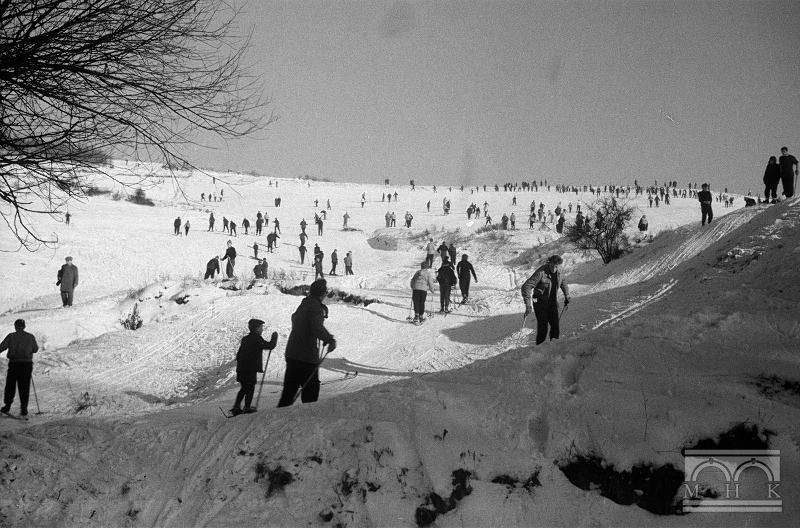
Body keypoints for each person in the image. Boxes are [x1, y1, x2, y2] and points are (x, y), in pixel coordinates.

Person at [277, 280, 336, 407]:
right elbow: (317, 328)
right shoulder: (315, 307)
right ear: (322, 293)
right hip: (306, 356)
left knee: (289, 391)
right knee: (311, 391)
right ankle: (306, 421)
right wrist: (330, 340)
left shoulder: (304, 304)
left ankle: (277, 418)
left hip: (292, 353)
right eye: (325, 292)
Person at [230, 319, 278, 415]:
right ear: (256, 329)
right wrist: (274, 338)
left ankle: (236, 407)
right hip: (249, 368)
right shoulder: (256, 338)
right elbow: (269, 346)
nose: (262, 330)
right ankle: (247, 407)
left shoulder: (245, 339)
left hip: (241, 368)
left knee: (244, 387)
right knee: (250, 387)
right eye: (261, 328)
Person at [521, 255, 570, 345]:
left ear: (559, 265)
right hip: (538, 301)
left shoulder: (560, 272)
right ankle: (539, 349)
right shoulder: (541, 272)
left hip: (552, 301)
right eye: (552, 265)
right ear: (549, 263)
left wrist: (567, 296)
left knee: (555, 326)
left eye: (556, 266)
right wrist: (528, 305)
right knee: (543, 327)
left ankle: (553, 348)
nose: (554, 268)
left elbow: (563, 283)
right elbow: (526, 286)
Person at [0, 319, 38, 417]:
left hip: (14, 364)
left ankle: (7, 406)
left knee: (10, 385)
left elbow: (2, 347)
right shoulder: (30, 336)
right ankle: (24, 408)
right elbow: (35, 349)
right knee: (24, 386)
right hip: (26, 365)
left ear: (15, 326)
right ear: (24, 326)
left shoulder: (11, 336)